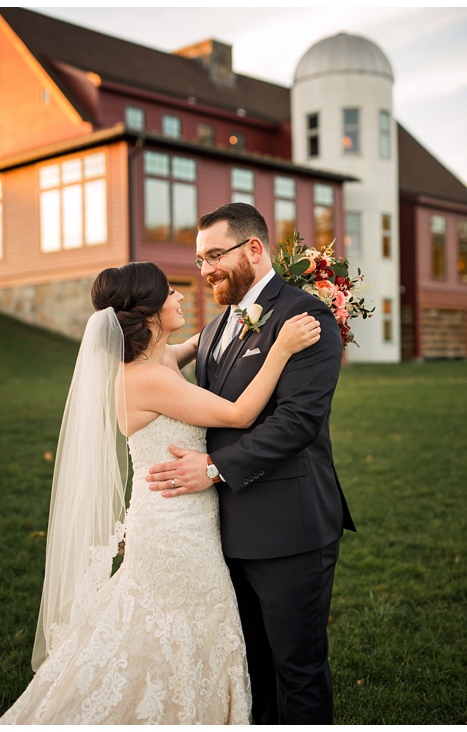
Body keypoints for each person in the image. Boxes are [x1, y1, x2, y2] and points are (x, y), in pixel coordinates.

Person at [0, 262, 321, 723]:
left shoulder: (160, 359)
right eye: (172, 292)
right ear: (149, 313)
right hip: (175, 529)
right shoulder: (145, 379)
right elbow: (241, 414)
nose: (182, 297)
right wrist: (282, 348)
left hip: (184, 515)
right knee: (171, 627)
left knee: (180, 627)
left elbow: (203, 343)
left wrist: (261, 301)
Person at [144, 202, 356, 724]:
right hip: (223, 532)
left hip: (290, 529)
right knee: (250, 668)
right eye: (199, 261)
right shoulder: (215, 328)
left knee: (297, 670)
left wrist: (213, 469)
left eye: (215, 255)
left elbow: (298, 421)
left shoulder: (306, 317)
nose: (206, 269)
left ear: (254, 249)